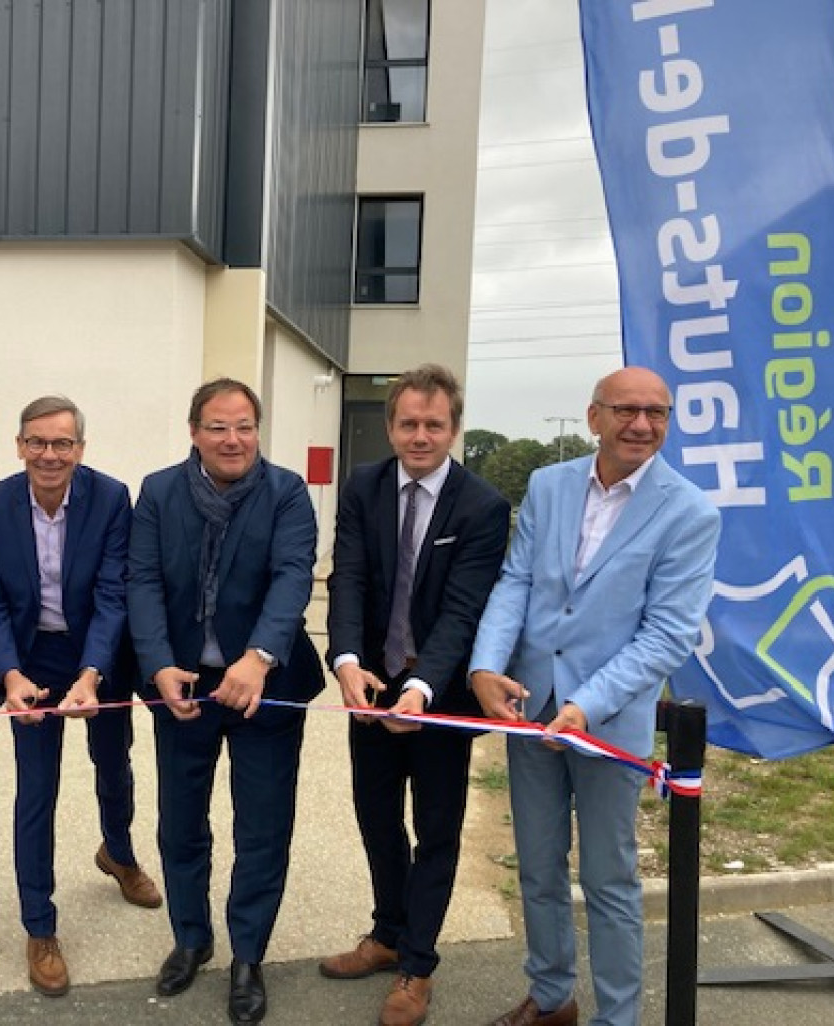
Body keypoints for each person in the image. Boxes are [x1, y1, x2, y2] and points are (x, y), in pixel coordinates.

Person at [469, 366, 721, 1026]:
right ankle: (553, 998)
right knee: (539, 871)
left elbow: (666, 633)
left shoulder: (691, 512)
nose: (642, 424)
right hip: (531, 711)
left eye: (657, 413)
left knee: (610, 883)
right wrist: (485, 667)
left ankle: (617, 1018)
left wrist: (586, 704)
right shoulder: (549, 486)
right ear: (594, 417)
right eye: (627, 410)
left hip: (607, 724)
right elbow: (516, 583)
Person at [127, 377, 323, 1026]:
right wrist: (156, 665)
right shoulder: (158, 492)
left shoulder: (286, 492)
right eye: (218, 426)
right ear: (193, 432)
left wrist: (258, 657)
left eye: (244, 426)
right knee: (180, 823)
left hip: (265, 690)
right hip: (182, 687)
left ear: (258, 431)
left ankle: (247, 955)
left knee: (262, 828)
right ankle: (191, 937)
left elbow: (295, 575)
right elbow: (144, 581)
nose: (232, 439)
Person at [320, 364, 511, 1026]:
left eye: (434, 424)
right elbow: (348, 581)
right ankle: (386, 931)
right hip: (370, 686)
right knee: (376, 818)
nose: (420, 435)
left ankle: (417, 965)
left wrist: (424, 686)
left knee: (435, 831)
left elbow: (462, 611)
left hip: (441, 691)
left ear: (453, 428)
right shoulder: (364, 486)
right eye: (409, 423)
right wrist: (345, 661)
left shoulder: (482, 507)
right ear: (390, 426)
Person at [0, 395, 162, 998]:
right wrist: (8, 674)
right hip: (31, 660)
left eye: (62, 443)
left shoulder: (110, 499)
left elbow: (113, 593)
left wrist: (92, 673)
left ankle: (120, 855)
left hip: (98, 655)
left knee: (114, 764)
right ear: (19, 444)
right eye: (37, 442)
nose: (49, 454)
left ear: (80, 448)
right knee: (36, 789)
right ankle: (40, 926)